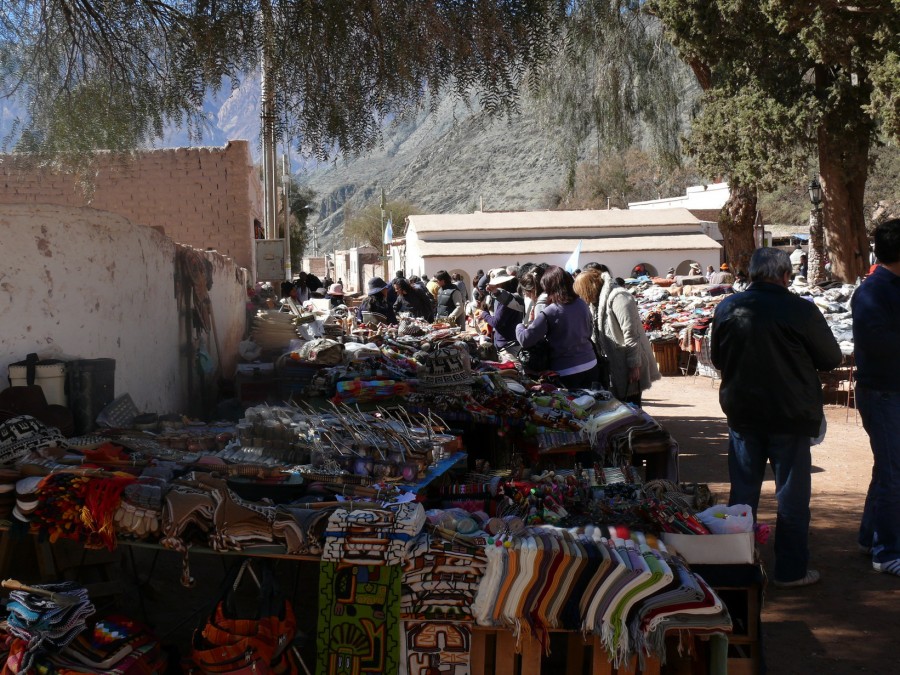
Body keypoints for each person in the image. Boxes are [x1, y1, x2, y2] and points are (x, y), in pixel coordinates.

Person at [710, 247, 842, 588]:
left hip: (744, 414)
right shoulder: (801, 310)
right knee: (792, 497)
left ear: (752, 273)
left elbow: (717, 358)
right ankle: (791, 570)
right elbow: (830, 357)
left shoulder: (727, 307)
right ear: (785, 276)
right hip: (790, 415)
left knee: (743, 494)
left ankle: (736, 567)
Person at [853, 218, 900, 577]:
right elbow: (881, 346)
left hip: (890, 392)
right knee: (892, 474)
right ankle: (887, 552)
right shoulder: (872, 291)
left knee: (886, 469)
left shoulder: (890, 286)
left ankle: (870, 537)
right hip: (883, 393)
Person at [574, 267, 660, 404]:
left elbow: (631, 333)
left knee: (632, 404)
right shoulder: (597, 302)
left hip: (628, 360)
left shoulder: (619, 297)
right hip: (614, 364)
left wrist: (634, 365)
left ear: (589, 288)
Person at [515, 265, 599, 389]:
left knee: (575, 406)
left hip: (566, 371)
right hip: (591, 364)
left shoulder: (550, 312)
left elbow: (525, 339)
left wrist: (520, 326)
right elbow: (589, 330)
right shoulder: (582, 303)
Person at [477, 271, 524, 354]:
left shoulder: (506, 301)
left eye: (495, 284)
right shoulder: (503, 297)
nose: (491, 287)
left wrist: (484, 314)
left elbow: (496, 322)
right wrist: (487, 274)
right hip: (506, 342)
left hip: (508, 345)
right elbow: (480, 286)